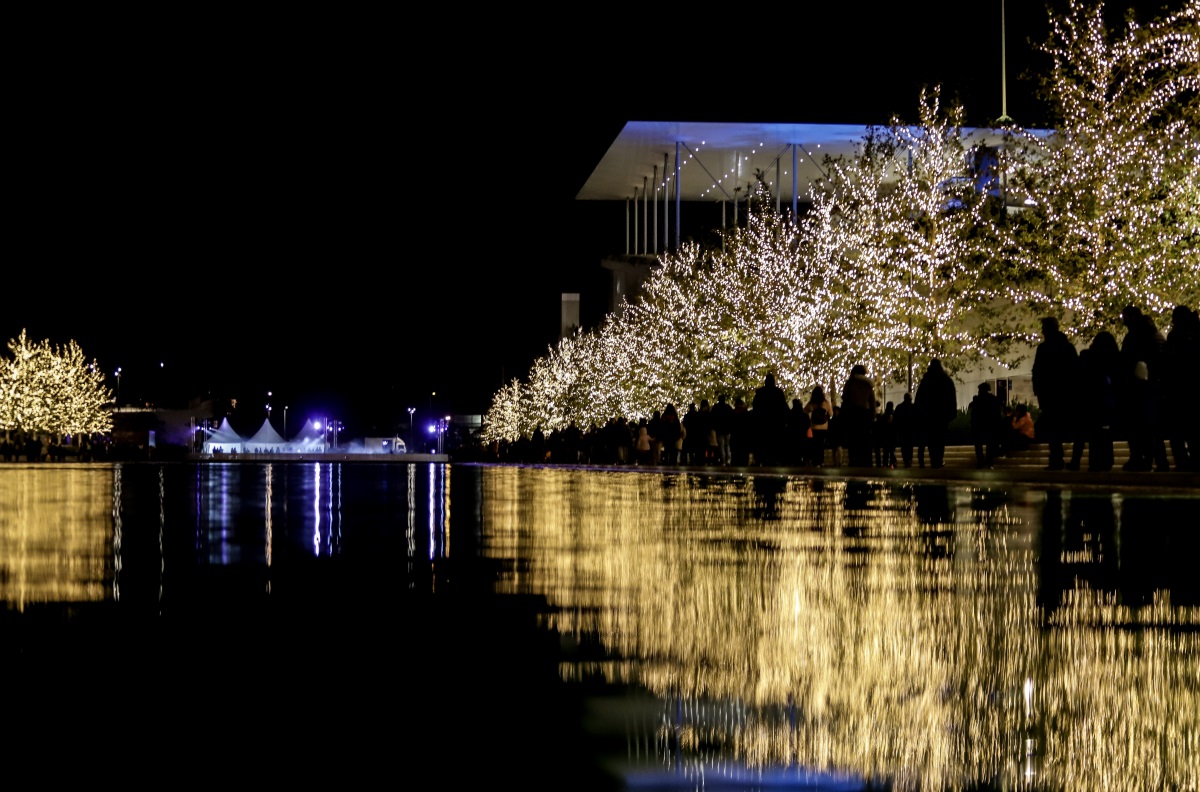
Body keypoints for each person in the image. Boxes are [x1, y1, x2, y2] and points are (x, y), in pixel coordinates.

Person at [1031, 316, 1079, 470]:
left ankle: (1057, 459)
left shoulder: (1044, 349)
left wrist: (1038, 390)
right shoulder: (1067, 347)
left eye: (1044, 328)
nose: (1043, 331)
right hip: (1064, 394)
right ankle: (1064, 459)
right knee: (1059, 427)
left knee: (1054, 429)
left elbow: (1038, 371)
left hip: (1052, 394)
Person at [1068, 331, 1120, 472]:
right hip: (1105, 403)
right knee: (1103, 434)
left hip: (1088, 402)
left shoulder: (1087, 357)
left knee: (1085, 433)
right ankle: (1105, 461)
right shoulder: (1114, 360)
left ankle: (1080, 461)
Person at [914, 359, 958, 469]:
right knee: (940, 440)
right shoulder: (946, 380)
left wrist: (919, 414)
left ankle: (934, 459)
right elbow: (951, 398)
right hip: (941, 415)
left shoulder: (926, 380)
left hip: (928, 416)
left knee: (931, 440)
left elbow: (919, 399)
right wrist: (951, 413)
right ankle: (937, 460)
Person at [839, 364, 877, 466]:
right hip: (865, 414)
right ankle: (866, 461)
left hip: (852, 414)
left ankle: (853, 460)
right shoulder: (868, 384)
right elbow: (872, 402)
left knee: (853, 439)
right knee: (865, 440)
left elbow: (845, 399)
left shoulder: (850, 383)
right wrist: (872, 417)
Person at [752, 373, 790, 466]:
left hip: (763, 423)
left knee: (764, 444)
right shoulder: (778, 392)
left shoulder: (760, 393)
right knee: (775, 444)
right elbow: (783, 407)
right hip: (776, 423)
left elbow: (755, 408)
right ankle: (774, 460)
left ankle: (764, 460)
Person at [968, 382, 1003, 468]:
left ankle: (980, 462)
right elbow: (997, 414)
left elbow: (973, 414)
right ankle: (989, 462)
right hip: (990, 425)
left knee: (978, 445)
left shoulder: (976, 401)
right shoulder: (993, 400)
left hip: (979, 425)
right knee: (989, 444)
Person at [804, 385, 832, 466]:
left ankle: (815, 461)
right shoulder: (825, 402)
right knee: (821, 445)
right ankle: (821, 461)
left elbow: (805, 411)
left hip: (814, 427)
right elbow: (831, 414)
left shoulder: (812, 403)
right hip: (824, 427)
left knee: (815, 444)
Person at [892, 391, 917, 467]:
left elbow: (895, 420)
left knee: (904, 447)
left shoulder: (899, 407)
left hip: (902, 431)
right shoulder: (913, 407)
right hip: (910, 430)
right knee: (909, 446)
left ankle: (906, 460)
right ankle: (909, 460)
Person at [711, 393, 735, 465]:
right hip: (727, 429)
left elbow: (712, 418)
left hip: (719, 429)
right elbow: (732, 417)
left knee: (721, 446)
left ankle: (723, 460)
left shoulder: (716, 408)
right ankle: (728, 459)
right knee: (727, 445)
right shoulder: (728, 407)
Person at [786, 398, 812, 466]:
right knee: (802, 449)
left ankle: (794, 461)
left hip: (792, 435)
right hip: (802, 435)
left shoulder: (790, 414)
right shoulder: (804, 415)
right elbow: (808, 424)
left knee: (794, 449)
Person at [874, 401, 897, 468]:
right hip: (892, 437)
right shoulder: (894, 415)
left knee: (886, 452)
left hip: (885, 437)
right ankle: (892, 464)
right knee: (892, 451)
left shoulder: (883, 416)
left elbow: (881, 427)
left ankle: (885, 464)